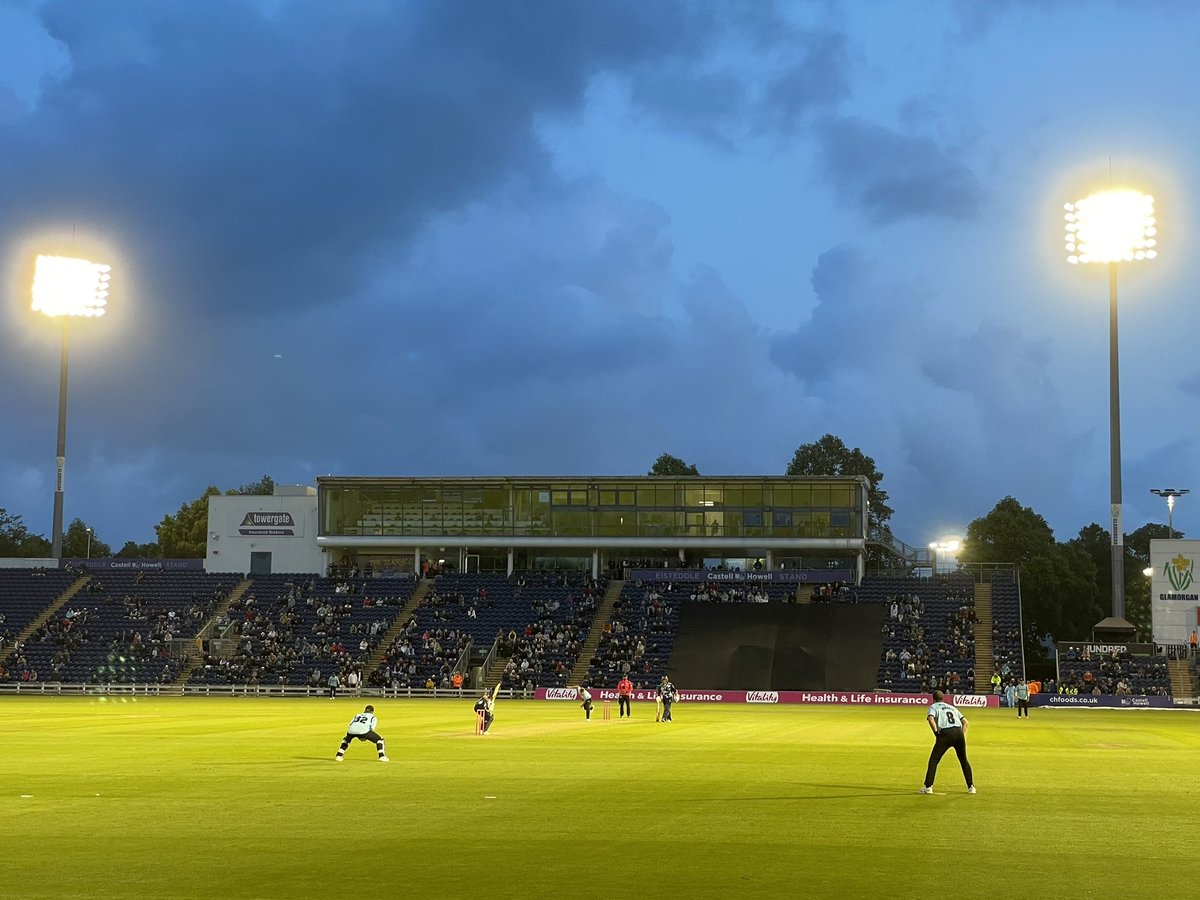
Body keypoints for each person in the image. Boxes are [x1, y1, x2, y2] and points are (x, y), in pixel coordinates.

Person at [920, 690, 974, 794]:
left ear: (933, 699)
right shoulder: (951, 707)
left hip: (945, 733)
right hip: (958, 732)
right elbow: (966, 722)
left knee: (934, 760)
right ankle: (971, 787)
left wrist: (936, 733)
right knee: (963, 760)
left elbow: (930, 719)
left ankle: (928, 787)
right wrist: (961, 735)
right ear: (943, 698)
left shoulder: (933, 707)